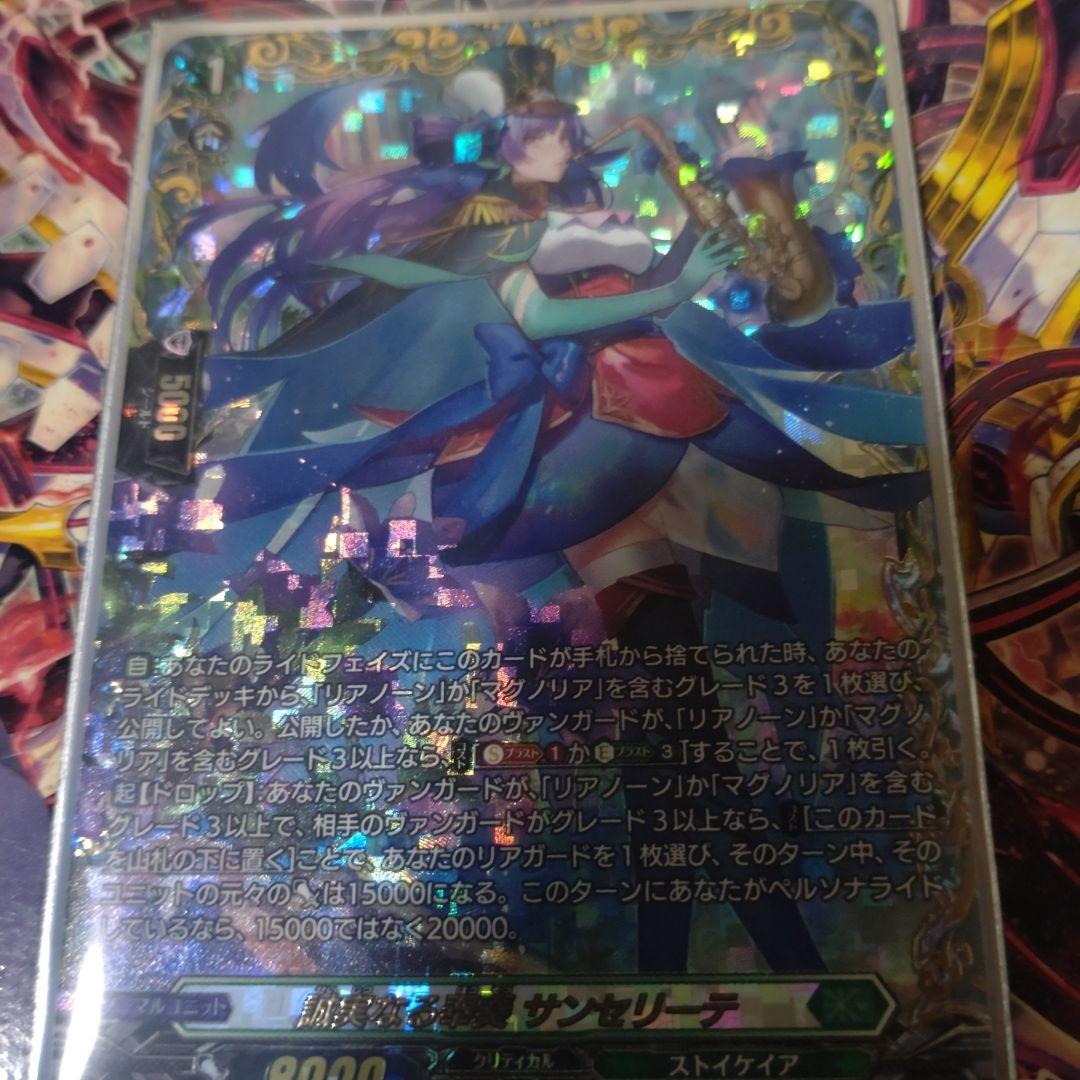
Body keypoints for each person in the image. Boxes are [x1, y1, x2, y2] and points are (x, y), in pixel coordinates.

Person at [185, 46, 929, 973]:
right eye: (540, 127)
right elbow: (526, 316)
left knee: (677, 742)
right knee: (681, 730)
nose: (563, 138)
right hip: (569, 470)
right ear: (503, 138)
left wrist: (692, 263)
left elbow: (631, 310)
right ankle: (767, 968)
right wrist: (671, 285)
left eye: (564, 126)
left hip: (640, 447)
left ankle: (683, 971)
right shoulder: (492, 225)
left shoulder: (574, 209)